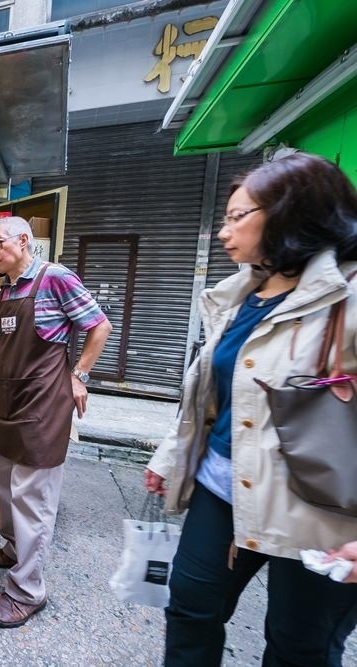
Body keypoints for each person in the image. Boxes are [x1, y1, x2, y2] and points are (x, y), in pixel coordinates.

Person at [144, 153, 357, 666]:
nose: (223, 231)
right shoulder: (240, 294)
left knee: (298, 644)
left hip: (321, 510)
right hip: (223, 487)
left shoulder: (347, 296)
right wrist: (171, 457)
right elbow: (213, 393)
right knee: (190, 609)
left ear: (290, 213)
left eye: (238, 216)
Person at [0, 216, 111, 628]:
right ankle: (15, 551)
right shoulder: (5, 291)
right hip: (9, 402)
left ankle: (27, 591)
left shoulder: (56, 278)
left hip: (44, 405)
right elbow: (0, 349)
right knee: (4, 487)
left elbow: (99, 325)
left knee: (33, 500)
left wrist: (80, 375)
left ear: (23, 240)